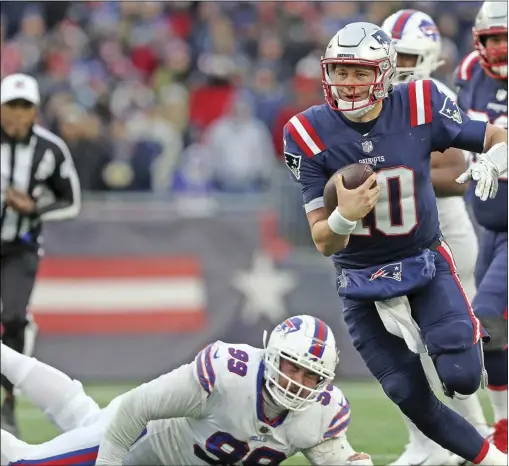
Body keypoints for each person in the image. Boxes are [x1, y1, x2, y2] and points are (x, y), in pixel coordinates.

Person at [283, 21, 508, 465]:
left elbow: (493, 135)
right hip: (360, 277)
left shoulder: (421, 102)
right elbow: (324, 242)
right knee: (408, 391)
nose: (348, 83)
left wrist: (498, 154)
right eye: (340, 71)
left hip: (423, 257)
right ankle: (493, 460)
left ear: (384, 74)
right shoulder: (307, 133)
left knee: (462, 376)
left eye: (360, 72)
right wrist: (346, 214)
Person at [0, 315, 373, 466]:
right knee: (24, 463)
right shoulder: (227, 373)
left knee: (81, 414)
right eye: (293, 366)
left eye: (311, 375)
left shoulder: (322, 413)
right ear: (271, 356)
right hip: (138, 445)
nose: (298, 382)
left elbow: (336, 458)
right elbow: (134, 410)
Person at [379, 10, 490, 465]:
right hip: (398, 237)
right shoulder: (377, 97)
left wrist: (387, 167)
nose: (397, 64)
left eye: (405, 55)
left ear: (426, 56)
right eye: (392, 55)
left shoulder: (430, 96)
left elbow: (453, 171)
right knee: (403, 343)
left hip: (440, 232)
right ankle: (434, 443)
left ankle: (473, 436)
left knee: (447, 345)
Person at [0, 73, 81, 436]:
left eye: (24, 107)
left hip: (21, 245)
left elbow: (71, 200)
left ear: (34, 111)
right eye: (11, 106)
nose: (17, 115)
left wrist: (33, 207)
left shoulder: (49, 149)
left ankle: (6, 401)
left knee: (14, 318)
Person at [455, 1, 508, 454]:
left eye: (507, 36)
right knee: (491, 333)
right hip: (490, 223)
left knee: (488, 318)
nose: (501, 46)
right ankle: (504, 427)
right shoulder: (470, 71)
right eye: (494, 37)